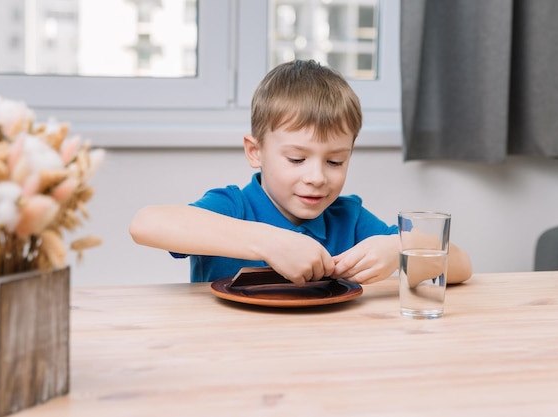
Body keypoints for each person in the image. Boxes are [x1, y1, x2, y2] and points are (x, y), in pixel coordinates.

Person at [129, 60, 473, 285]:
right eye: (296, 159)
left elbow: (461, 265)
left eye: (335, 162)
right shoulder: (235, 207)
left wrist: (398, 249)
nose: (317, 177)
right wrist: (268, 242)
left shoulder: (347, 217)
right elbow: (145, 223)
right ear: (255, 152)